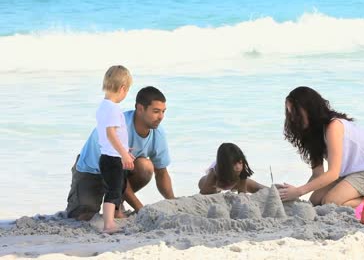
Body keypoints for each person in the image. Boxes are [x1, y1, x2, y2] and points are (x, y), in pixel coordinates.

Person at [278, 86, 364, 207]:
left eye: (295, 112)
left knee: (330, 202)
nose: (293, 118)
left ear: (309, 109)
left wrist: (299, 191)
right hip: (350, 172)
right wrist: (295, 194)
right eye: (289, 113)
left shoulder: (333, 126)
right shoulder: (312, 134)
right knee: (315, 201)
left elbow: (333, 173)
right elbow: (317, 174)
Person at [66, 85, 175, 221]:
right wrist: (141, 210)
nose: (161, 117)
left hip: (118, 171)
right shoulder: (120, 127)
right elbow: (116, 174)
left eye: (163, 112)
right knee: (83, 217)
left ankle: (117, 203)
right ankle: (113, 203)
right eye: (156, 111)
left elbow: (162, 172)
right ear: (140, 108)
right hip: (91, 170)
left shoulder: (157, 133)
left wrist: (173, 203)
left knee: (145, 166)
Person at [95, 65, 134, 233]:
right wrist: (124, 154)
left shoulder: (103, 106)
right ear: (123, 88)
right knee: (114, 190)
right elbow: (111, 133)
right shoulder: (112, 108)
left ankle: (110, 220)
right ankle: (108, 224)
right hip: (112, 158)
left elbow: (112, 135)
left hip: (107, 155)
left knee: (115, 188)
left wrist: (125, 149)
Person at [198, 143, 265, 194]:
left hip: (234, 182)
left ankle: (275, 188)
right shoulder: (215, 171)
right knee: (209, 190)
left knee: (258, 188)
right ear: (225, 164)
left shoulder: (241, 170)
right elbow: (203, 193)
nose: (238, 167)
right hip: (216, 184)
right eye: (234, 163)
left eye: (240, 163)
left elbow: (242, 193)